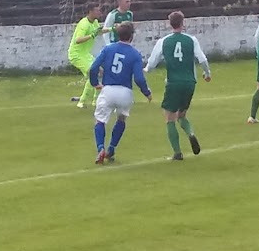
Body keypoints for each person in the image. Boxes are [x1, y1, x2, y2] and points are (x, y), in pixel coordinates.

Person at [147, 10, 211, 161]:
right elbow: (202, 59)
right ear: (183, 23)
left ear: (170, 24)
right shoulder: (192, 40)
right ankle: (191, 133)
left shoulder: (163, 41)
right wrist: (207, 73)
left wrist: (144, 70)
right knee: (182, 115)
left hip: (173, 82)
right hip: (190, 82)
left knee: (170, 118)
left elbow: (151, 64)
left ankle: (177, 153)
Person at [88, 21, 152, 164]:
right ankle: (111, 148)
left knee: (100, 121)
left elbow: (93, 68)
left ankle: (100, 149)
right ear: (132, 36)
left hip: (108, 89)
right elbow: (139, 78)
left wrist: (95, 83)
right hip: (125, 92)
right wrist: (147, 92)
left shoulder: (108, 49)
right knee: (121, 119)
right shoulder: (135, 54)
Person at [67, 3, 104, 109]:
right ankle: (82, 102)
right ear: (90, 11)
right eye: (97, 10)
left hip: (85, 54)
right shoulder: (84, 24)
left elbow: (99, 32)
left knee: (100, 72)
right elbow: (78, 40)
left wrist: (112, 29)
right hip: (76, 55)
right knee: (92, 73)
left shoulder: (95, 22)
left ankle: (94, 101)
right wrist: (91, 35)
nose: (99, 12)